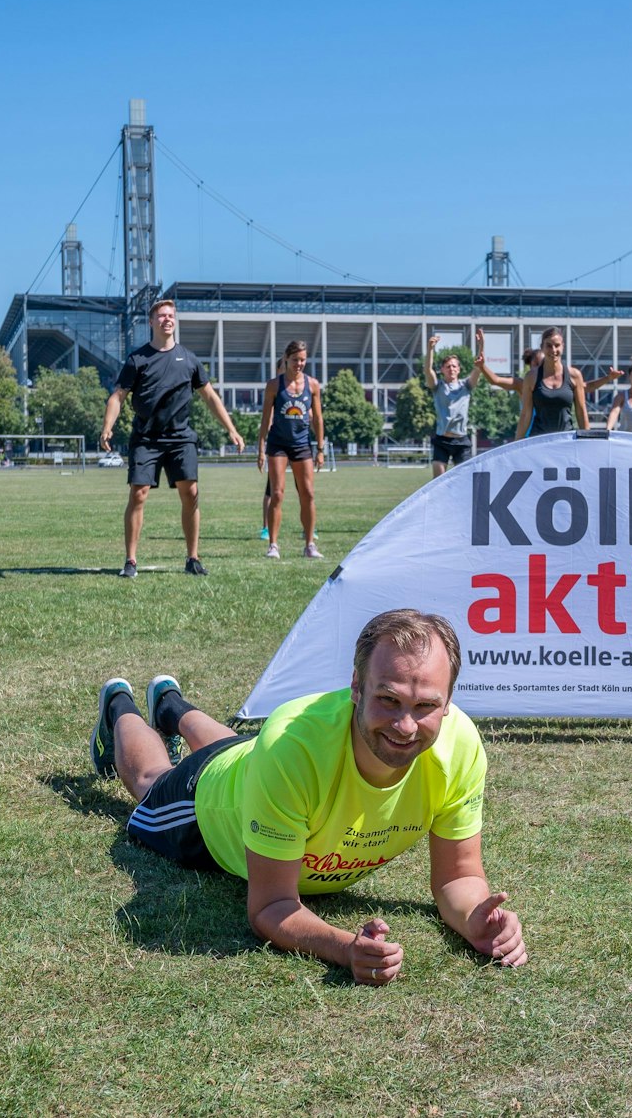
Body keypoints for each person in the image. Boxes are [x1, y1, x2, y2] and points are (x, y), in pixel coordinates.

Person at [86, 609, 528, 985]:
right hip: (206, 803)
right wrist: (345, 948)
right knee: (150, 779)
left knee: (243, 745)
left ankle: (172, 707)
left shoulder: (461, 747)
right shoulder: (291, 748)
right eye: (388, 699)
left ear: (448, 702)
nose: (406, 726)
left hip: (258, 763)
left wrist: (474, 919)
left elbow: (457, 877)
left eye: (425, 706)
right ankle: (120, 705)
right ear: (356, 686)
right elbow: (271, 907)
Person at [100, 298, 246, 578]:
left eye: (171, 316)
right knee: (138, 494)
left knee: (190, 494)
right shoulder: (137, 359)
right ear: (152, 322)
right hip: (146, 438)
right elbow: (118, 397)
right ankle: (130, 561)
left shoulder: (189, 359)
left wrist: (232, 429)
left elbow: (210, 397)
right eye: (162, 316)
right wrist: (108, 426)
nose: (167, 319)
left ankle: (193, 558)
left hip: (181, 438)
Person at [256, 340, 326, 559]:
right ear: (286, 358)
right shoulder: (274, 385)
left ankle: (309, 545)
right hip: (278, 445)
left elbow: (318, 419)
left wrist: (320, 449)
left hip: (302, 445)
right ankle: (273, 545)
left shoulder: (312, 384)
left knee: (308, 494)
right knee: (277, 494)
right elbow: (266, 418)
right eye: (295, 359)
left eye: (303, 360)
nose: (299, 364)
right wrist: (261, 448)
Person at [501, 327, 621, 437]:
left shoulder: (575, 375)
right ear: (542, 347)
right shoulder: (531, 377)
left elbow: (581, 411)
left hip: (566, 440)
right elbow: (526, 414)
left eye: (557, 345)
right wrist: (517, 443)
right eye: (549, 345)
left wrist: (587, 440)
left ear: (562, 346)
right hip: (538, 441)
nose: (553, 350)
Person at [422, 333, 511, 476]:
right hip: (442, 440)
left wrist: (481, 345)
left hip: (461, 441)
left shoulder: (466, 386)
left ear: (459, 369)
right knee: (437, 480)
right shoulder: (437, 387)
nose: (451, 369)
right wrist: (430, 349)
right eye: (448, 366)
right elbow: (428, 370)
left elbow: (478, 368)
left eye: (454, 366)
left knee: (464, 480)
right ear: (442, 370)